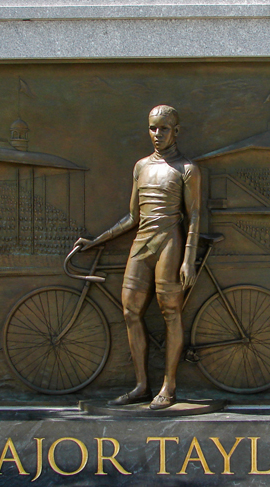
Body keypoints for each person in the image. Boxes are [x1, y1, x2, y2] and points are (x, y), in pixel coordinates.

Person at [75, 105, 200, 410]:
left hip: (170, 243)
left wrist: (188, 259)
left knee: (171, 312)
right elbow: (133, 217)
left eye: (164, 128)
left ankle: (169, 387)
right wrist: (97, 240)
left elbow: (194, 216)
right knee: (130, 311)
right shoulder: (140, 167)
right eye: (153, 128)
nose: (157, 134)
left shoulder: (187, 169)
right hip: (142, 244)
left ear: (176, 131)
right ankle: (142, 386)